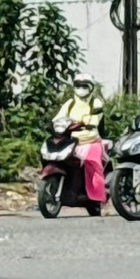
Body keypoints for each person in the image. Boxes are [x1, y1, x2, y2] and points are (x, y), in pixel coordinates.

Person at [54, 72, 108, 207]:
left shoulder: (96, 102)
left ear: (91, 87)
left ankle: (96, 198)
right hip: (71, 140)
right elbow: (58, 117)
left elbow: (96, 118)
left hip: (90, 141)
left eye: (84, 86)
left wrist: (88, 122)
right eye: (78, 85)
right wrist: (54, 124)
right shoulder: (70, 103)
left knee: (93, 164)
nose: (81, 88)